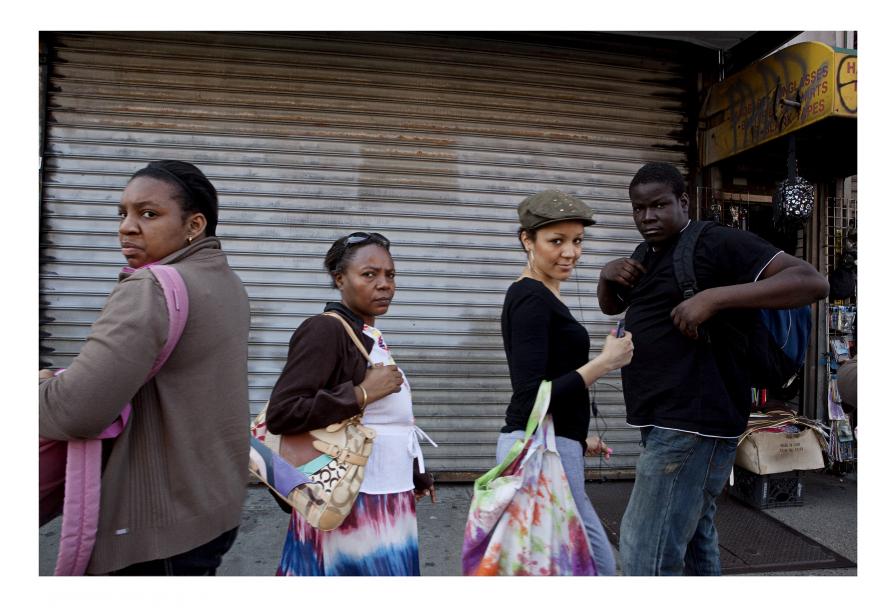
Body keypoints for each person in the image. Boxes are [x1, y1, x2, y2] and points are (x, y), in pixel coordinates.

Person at [597, 162, 828, 576]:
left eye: (658, 205)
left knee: (645, 549)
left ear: (683, 202)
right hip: (661, 418)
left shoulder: (714, 242)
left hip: (692, 422)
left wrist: (714, 298)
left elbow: (812, 282)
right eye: (638, 208)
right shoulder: (646, 253)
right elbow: (614, 306)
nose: (647, 217)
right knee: (694, 542)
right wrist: (605, 277)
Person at [39, 160, 251, 575]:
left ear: (194, 225)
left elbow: (76, 411)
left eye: (149, 214)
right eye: (123, 213)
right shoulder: (227, 282)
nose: (127, 227)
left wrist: (43, 387)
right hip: (214, 509)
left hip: (155, 528)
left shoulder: (150, 288)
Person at [266, 232, 436, 576]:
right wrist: (361, 393)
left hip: (384, 494)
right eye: (369, 274)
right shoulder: (325, 330)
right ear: (339, 279)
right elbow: (283, 412)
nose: (384, 284)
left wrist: (414, 473)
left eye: (390, 275)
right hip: (350, 501)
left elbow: (383, 423)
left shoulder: (366, 334)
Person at [497, 190, 635, 576]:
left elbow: (550, 382)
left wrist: (577, 437)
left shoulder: (543, 295)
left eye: (577, 241)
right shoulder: (530, 299)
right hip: (541, 453)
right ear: (527, 240)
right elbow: (531, 396)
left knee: (567, 567)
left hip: (557, 444)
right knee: (591, 566)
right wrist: (605, 362)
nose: (570, 252)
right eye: (556, 241)